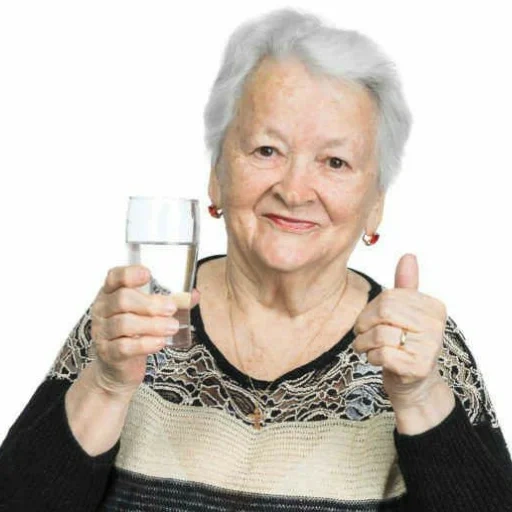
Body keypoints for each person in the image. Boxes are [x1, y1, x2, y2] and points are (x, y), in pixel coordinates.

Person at [1, 7, 512, 512]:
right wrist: (107, 385)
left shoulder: (416, 348)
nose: (293, 190)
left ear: (374, 203)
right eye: (267, 150)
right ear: (217, 174)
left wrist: (420, 399)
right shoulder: (137, 320)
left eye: (334, 162)